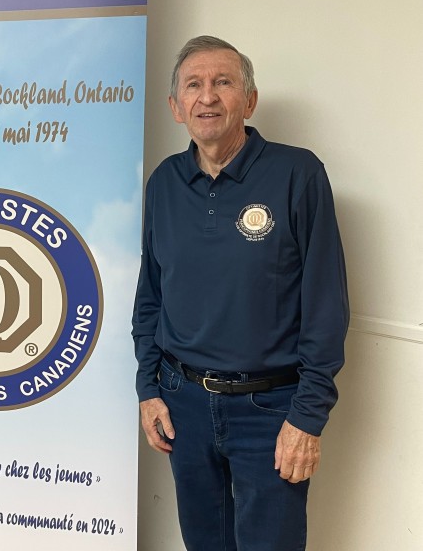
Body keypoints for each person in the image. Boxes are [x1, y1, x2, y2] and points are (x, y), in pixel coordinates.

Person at [132, 35, 349, 550]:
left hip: (270, 410)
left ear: (249, 100)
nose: (207, 96)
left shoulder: (298, 174)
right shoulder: (163, 183)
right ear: (175, 106)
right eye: (193, 85)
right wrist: (148, 388)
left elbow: (326, 305)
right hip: (182, 404)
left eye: (223, 82)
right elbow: (151, 296)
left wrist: (307, 417)